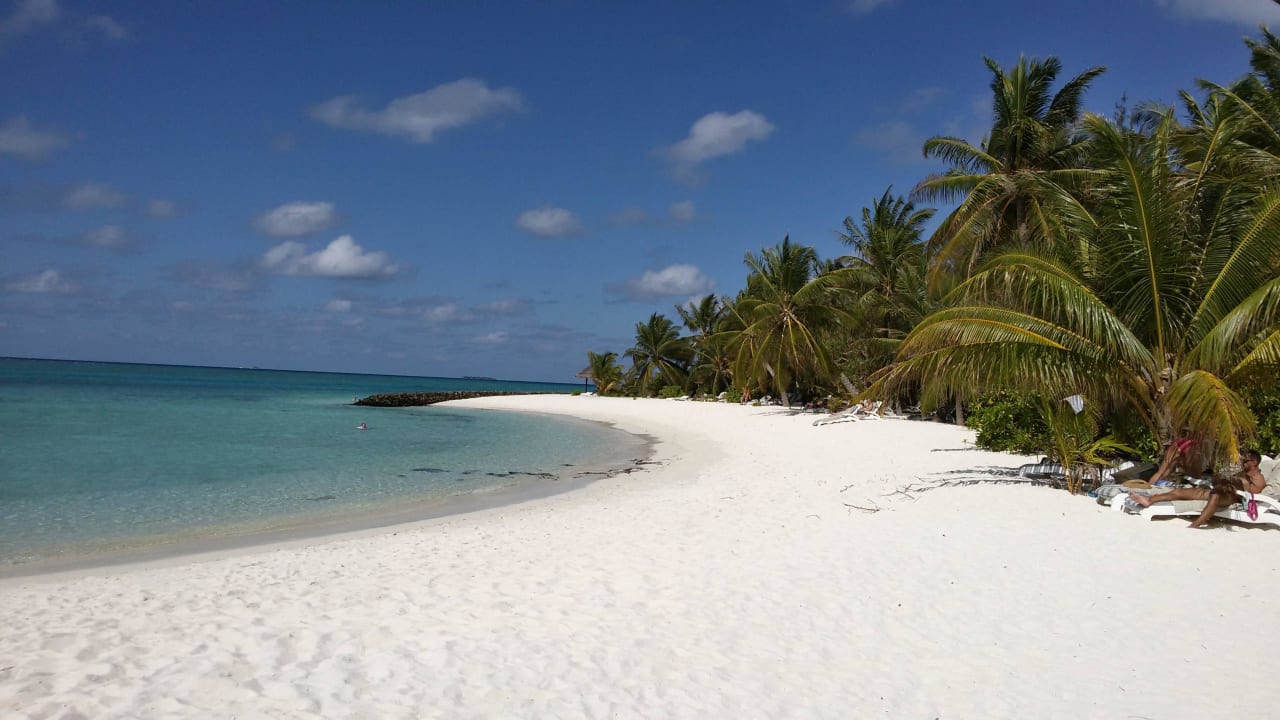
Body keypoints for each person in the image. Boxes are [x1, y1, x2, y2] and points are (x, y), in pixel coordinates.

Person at [1128, 449, 1266, 528]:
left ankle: (1196, 524)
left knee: (1215, 495)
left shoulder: (1258, 479)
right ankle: (1149, 500)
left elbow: (1251, 495)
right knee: (1181, 492)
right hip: (1220, 489)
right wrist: (1220, 479)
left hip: (1231, 497)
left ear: (1254, 462)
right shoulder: (1242, 473)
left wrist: (1238, 483)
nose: (1241, 462)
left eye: (1244, 461)